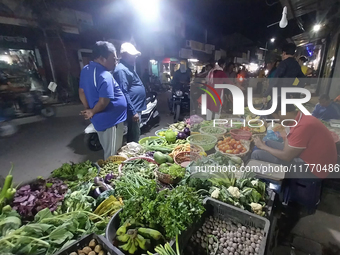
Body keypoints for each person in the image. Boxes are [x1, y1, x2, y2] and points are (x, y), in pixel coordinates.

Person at [252, 101, 337, 179]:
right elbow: (287, 147)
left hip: (314, 170)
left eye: (275, 117)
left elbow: (286, 156)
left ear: (281, 113)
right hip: (308, 157)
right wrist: (283, 134)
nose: (276, 121)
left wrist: (262, 147)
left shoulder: (302, 126)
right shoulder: (299, 118)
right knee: (268, 143)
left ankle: (259, 185)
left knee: (257, 154)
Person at [79, 41, 127, 160]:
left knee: (107, 147)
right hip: (112, 121)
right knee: (113, 154)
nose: (116, 62)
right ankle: (111, 177)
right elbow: (103, 102)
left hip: (100, 120)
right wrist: (92, 112)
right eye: (114, 59)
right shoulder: (104, 75)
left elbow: (81, 91)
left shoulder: (86, 69)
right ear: (101, 58)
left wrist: (88, 109)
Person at [113, 42, 146, 143]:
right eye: (132, 55)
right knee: (133, 135)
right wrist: (133, 111)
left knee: (135, 131)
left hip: (136, 106)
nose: (135, 57)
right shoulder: (122, 70)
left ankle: (134, 150)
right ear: (125, 55)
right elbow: (123, 92)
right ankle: (133, 155)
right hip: (133, 108)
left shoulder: (128, 67)